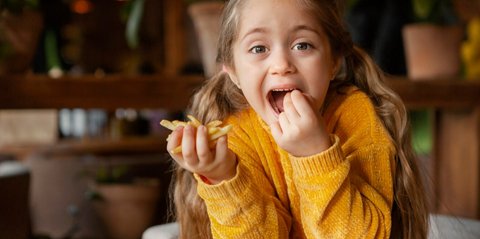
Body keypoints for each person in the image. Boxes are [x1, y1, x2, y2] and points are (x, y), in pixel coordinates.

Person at [167, 0, 429, 238]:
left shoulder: (355, 116)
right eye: (259, 48)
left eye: (302, 45)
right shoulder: (235, 135)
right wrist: (223, 176)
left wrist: (316, 154)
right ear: (233, 71)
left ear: (333, 61)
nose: (282, 64)